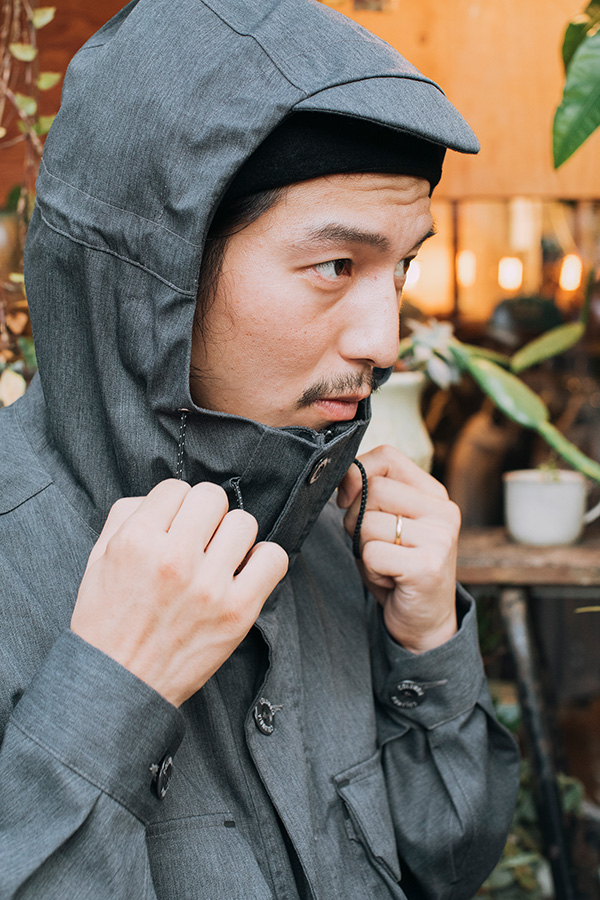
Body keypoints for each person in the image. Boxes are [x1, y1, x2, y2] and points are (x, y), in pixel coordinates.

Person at [0, 1, 520, 897]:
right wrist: (110, 696)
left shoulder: (331, 528)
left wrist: (426, 644)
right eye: (336, 266)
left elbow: (447, 867)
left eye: (402, 268)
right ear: (158, 270)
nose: (386, 341)